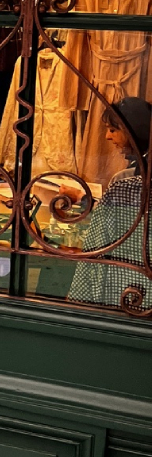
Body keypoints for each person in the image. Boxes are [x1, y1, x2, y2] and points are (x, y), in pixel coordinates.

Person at [67, 96, 152, 309]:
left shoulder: (130, 181)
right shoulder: (136, 173)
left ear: (135, 130)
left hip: (130, 283)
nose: (107, 136)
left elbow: (109, 227)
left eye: (113, 130)